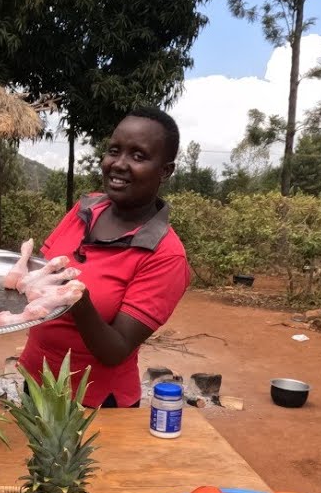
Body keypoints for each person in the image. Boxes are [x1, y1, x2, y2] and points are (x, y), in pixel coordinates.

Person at [17, 106, 192, 408]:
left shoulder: (166, 254)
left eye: (138, 156)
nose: (119, 164)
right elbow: (40, 278)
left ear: (165, 171)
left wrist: (78, 300)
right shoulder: (85, 208)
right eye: (114, 151)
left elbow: (115, 350)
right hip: (37, 378)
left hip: (96, 402)